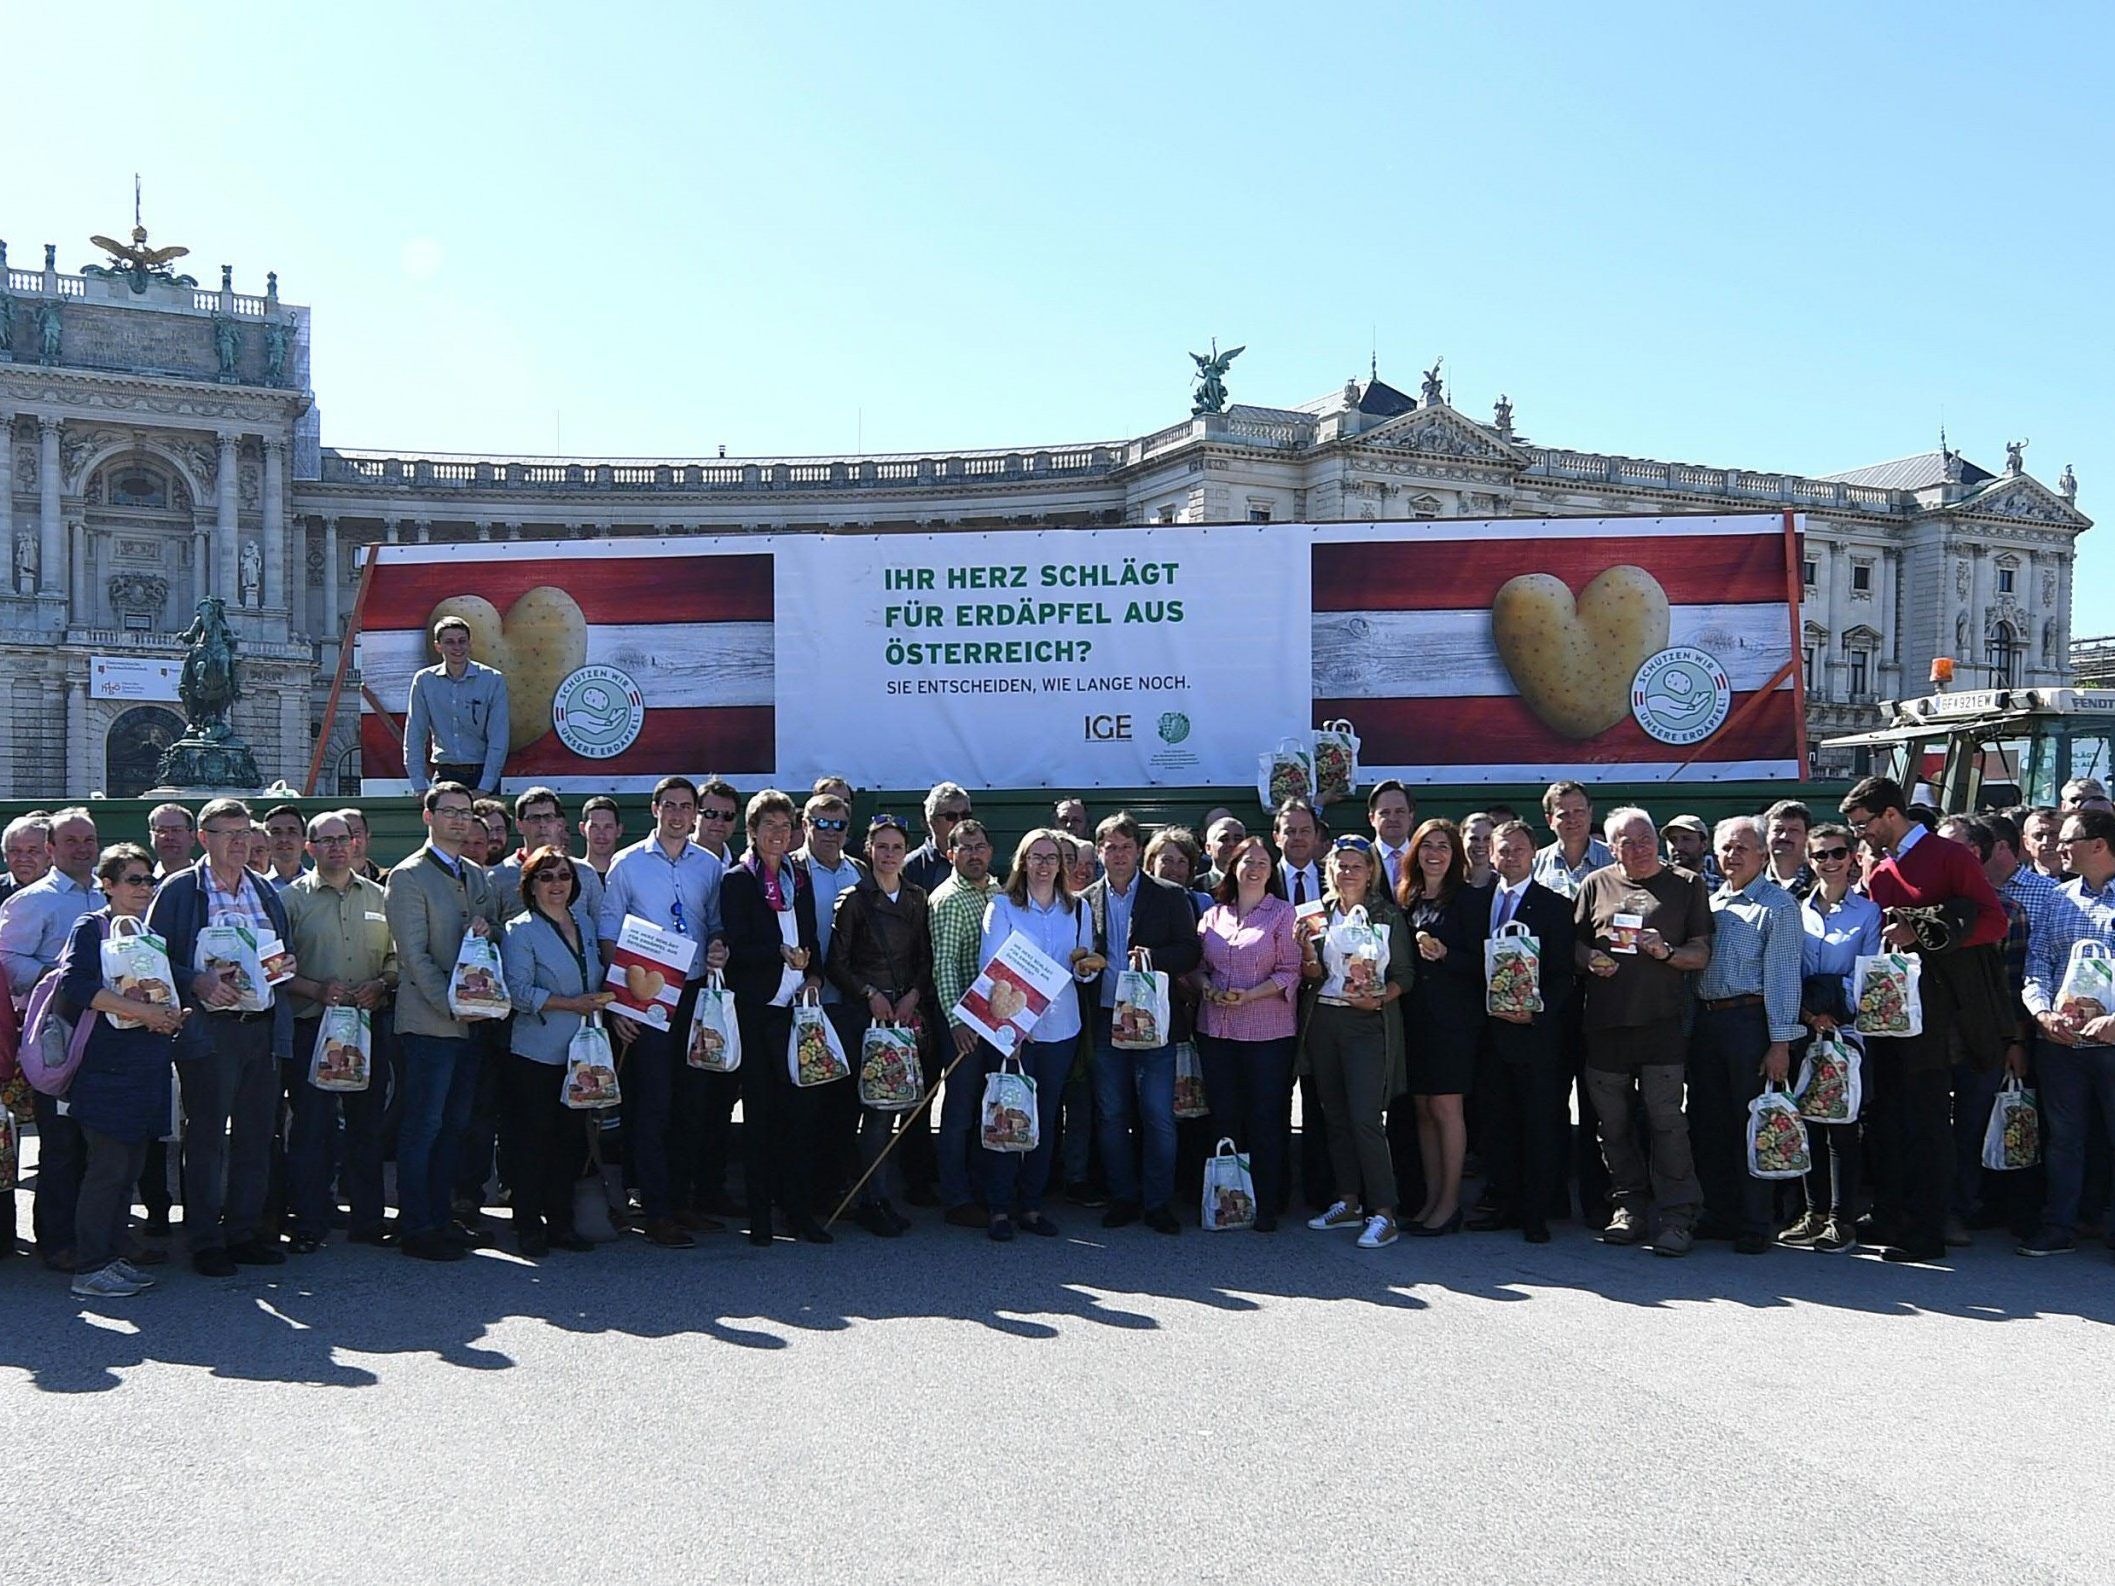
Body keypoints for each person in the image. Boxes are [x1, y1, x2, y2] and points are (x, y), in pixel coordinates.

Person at [1839, 774, 2009, 1264]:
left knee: (1927, 1122)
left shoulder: (1950, 856)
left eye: (1863, 825)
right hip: (1889, 1013)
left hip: (1940, 1014)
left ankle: (1928, 1228)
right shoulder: (1881, 869)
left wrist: (1924, 929)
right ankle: (1891, 1212)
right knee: (1888, 1117)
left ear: (1891, 814)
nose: (1859, 837)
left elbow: (1992, 922)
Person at [147, 797, 296, 1276]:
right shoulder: (179, 890)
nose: (239, 842)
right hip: (209, 1030)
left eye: (245, 832)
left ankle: (244, 1232)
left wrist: (284, 966)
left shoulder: (265, 890)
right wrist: (196, 979)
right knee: (207, 1137)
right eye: (228, 833)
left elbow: (280, 952)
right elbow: (151, 957)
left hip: (262, 1027)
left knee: (256, 1135)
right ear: (204, 838)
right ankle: (206, 1239)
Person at [1575, 807, 1713, 1256]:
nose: (1638, 849)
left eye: (1645, 839)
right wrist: (1589, 959)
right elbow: (1573, 943)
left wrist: (1667, 952)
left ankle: (1677, 1216)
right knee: (1612, 1126)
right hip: (1606, 1025)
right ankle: (1629, 1208)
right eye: (1627, 842)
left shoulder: (1687, 885)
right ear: (1611, 847)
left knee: (1667, 1123)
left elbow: (1702, 953)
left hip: (1662, 1025)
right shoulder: (1596, 884)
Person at [599, 775, 729, 1248]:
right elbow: (608, 935)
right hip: (646, 1000)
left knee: (692, 1104)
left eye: (686, 806)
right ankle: (655, 1211)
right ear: (655, 809)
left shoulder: (709, 865)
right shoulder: (627, 864)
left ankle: (681, 1202)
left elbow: (716, 924)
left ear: (696, 814)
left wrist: (718, 947)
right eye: (669, 805)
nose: (678, 814)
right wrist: (621, 1002)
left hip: (693, 993)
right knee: (652, 1104)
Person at [58, 845, 185, 1299]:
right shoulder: (91, 927)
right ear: (106, 885)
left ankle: (112, 1256)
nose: (145, 887)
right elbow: (76, 985)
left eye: (149, 879)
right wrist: (140, 1011)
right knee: (107, 1168)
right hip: (106, 1067)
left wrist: (169, 1014)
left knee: (129, 1166)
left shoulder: (146, 932)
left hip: (145, 1064)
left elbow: (155, 992)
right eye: (133, 880)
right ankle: (89, 1267)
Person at [381, 783, 499, 1262]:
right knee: (423, 1125)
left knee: (455, 1125)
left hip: (472, 1021)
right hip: (431, 1022)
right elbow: (413, 957)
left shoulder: (475, 876)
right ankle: (417, 1225)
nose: (458, 821)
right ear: (428, 817)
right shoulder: (408, 877)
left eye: (465, 814)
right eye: (447, 812)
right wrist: (454, 1006)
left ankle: (441, 1215)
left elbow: (486, 944)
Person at [280, 812, 399, 1253]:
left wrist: (382, 984)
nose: (335, 847)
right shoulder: (291, 901)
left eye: (342, 839)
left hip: (368, 1024)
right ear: (309, 847)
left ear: (355, 843)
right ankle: (309, 1220)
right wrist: (315, 989)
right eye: (324, 840)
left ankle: (368, 1220)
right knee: (313, 1126)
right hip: (312, 1026)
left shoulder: (381, 896)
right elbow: (276, 967)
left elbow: (395, 957)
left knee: (368, 1127)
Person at [1687, 816, 1804, 1254]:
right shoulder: (1711, 902)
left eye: (1741, 847)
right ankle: (1720, 1212)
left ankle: (1757, 1219)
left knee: (1752, 1122)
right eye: (1725, 848)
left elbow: (1783, 977)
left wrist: (1779, 1043)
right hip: (1708, 1021)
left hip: (1750, 1022)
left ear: (1760, 853)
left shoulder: (1777, 906)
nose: (1731, 856)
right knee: (1710, 1121)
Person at [1083, 813, 1203, 1236]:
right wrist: (1083, 970)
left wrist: (1153, 957)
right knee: (1113, 1114)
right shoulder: (1085, 899)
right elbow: (1079, 954)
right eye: (1110, 848)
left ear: (1138, 852)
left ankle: (1158, 1202)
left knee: (1158, 1115)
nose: (1118, 855)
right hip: (1105, 1018)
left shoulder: (1169, 895)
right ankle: (1123, 1197)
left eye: (1126, 847)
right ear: (1099, 852)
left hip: (1154, 1020)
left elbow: (1190, 952)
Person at [976, 829, 1097, 1240]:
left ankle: (1031, 1205)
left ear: (1062, 865)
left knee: (1045, 1119)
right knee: (1007, 1116)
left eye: (1052, 858)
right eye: (1036, 856)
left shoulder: (1078, 910)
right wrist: (1016, 1024)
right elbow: (992, 967)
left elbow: (1081, 969)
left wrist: (1085, 970)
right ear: (1022, 862)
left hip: (1062, 1028)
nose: (1044, 865)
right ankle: (998, 1208)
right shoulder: (1002, 907)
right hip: (1014, 1030)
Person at [720, 789, 828, 1246]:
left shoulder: (797, 879)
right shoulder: (737, 881)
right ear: (753, 831)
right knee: (760, 1118)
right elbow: (736, 949)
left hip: (795, 1013)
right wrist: (777, 953)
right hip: (756, 1011)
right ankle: (760, 1216)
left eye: (786, 827)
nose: (778, 835)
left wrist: (814, 976)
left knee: (799, 1117)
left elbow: (813, 942)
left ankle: (798, 1211)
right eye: (769, 827)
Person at [500, 846, 615, 1258]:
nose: (556, 885)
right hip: (537, 1052)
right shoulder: (520, 930)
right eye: (545, 877)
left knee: (570, 1141)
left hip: (582, 1053)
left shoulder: (584, 922)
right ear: (530, 885)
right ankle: (528, 1226)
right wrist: (572, 1004)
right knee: (534, 1142)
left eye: (563, 876)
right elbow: (517, 993)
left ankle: (562, 1222)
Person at [1298, 836, 1412, 1249]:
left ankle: (1384, 1211)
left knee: (1366, 1119)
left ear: (1371, 872)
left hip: (1367, 1023)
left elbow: (1406, 974)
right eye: (1340, 865)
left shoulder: (1387, 915)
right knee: (1336, 1116)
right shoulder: (1317, 914)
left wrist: (1379, 998)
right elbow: (1312, 976)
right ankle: (1347, 1202)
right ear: (1329, 870)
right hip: (1325, 1019)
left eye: (1356, 866)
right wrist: (1305, 956)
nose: (1347, 873)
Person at [1, 807, 102, 1269]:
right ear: (52, 849)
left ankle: (98, 1234)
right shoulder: (33, 901)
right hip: (54, 1033)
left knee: (98, 1141)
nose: (82, 849)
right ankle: (57, 1240)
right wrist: (57, 979)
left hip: (105, 1033)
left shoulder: (107, 892)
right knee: (59, 1145)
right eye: (71, 841)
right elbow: (6, 962)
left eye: (88, 840)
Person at [824, 814, 933, 1238]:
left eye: (896, 847)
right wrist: (869, 993)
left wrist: (913, 995)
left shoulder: (917, 898)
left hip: (903, 1018)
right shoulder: (853, 900)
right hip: (865, 1018)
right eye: (882, 847)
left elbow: (925, 957)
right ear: (868, 851)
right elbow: (837, 962)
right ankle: (870, 1198)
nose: (889, 855)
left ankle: (878, 1195)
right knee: (872, 1109)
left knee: (893, 1108)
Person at [1471, 819, 1577, 1244]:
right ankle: (1506, 1203)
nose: (1510, 856)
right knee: (1496, 1123)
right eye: (1502, 849)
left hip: (1535, 1034)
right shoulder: (1478, 903)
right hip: (1488, 1033)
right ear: (1491, 855)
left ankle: (1536, 1212)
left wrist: (1535, 1011)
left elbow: (1563, 975)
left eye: (1518, 849)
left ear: (1533, 853)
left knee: (1538, 1123)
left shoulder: (1553, 905)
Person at [1190, 835, 1301, 1231]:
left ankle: (1267, 1203)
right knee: (1224, 1117)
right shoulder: (1214, 915)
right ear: (1233, 867)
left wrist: (1251, 995)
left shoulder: (1283, 914)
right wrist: (1204, 984)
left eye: (1262, 863)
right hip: (1216, 1030)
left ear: (1271, 872)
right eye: (1247, 862)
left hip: (1267, 1033)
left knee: (1265, 1119)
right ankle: (1227, 1201)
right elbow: (1199, 964)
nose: (1254, 869)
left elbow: (1291, 970)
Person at [2018, 808, 2115, 1256]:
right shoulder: (2059, 899)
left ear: (2099, 845)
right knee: (2063, 1138)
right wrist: (2041, 1013)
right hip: (2061, 1042)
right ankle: (2059, 1225)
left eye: (2069, 840)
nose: (2059, 848)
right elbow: (2037, 964)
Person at [1781, 821, 1880, 1252]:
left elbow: (1868, 974)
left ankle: (1843, 1218)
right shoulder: (1794, 909)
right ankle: (1813, 1211)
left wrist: (1833, 1011)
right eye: (1821, 855)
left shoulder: (1868, 913)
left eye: (1838, 853)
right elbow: (1786, 970)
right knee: (1806, 1120)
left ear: (1852, 857)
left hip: (1846, 1030)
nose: (1830, 862)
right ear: (1809, 859)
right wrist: (1807, 1012)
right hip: (1804, 1025)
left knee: (1841, 1125)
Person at [1938, 814, 2037, 1243]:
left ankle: (1960, 1209)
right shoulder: (1923, 911)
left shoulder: (2007, 912)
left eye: (1948, 847)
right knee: (1927, 1126)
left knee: (1971, 1126)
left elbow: (2014, 984)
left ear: (1973, 853)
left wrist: (2016, 1041)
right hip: (1930, 1036)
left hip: (1982, 1038)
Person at [1395, 818, 1490, 1235]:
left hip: (1454, 1021)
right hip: (1414, 1019)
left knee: (1447, 1108)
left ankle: (1450, 1203)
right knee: (1423, 1110)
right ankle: (1432, 1199)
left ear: (1455, 855)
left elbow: (1485, 964)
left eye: (1444, 846)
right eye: (1427, 845)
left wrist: (1446, 954)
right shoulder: (1407, 898)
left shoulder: (1468, 899)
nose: (1435, 853)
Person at [798, 790, 871, 1213]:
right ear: (805, 825)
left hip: (847, 1005)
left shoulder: (859, 873)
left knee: (844, 1105)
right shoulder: (790, 871)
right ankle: (802, 1195)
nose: (829, 832)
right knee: (805, 1107)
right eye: (820, 823)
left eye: (838, 824)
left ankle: (834, 1191)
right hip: (802, 1005)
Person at [928, 817, 1000, 1228]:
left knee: (988, 1104)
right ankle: (956, 1197)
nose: (974, 855)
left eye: (980, 847)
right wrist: (958, 1022)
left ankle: (985, 1187)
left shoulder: (998, 890)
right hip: (964, 1022)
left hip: (997, 1016)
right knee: (959, 1109)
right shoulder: (948, 899)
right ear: (950, 854)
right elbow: (945, 966)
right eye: (965, 848)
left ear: (990, 851)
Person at [403, 613, 509, 793]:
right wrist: (419, 785)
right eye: (450, 642)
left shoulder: (493, 680)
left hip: (482, 773)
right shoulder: (424, 680)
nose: (457, 647)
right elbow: (415, 735)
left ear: (470, 643)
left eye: (462, 641)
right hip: (445, 774)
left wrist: (485, 787)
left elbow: (499, 737)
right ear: (438, 646)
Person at [492, 787, 605, 929]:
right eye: (534, 818)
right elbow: (491, 930)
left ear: (560, 824)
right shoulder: (498, 876)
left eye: (548, 817)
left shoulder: (585, 873)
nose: (542, 824)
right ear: (519, 825)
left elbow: (603, 928)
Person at [1533, 781, 1613, 898]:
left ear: (1590, 813)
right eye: (1563, 814)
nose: (1572, 819)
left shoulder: (1614, 859)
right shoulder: (1535, 864)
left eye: (1579, 812)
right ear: (1550, 820)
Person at [906, 782, 971, 894]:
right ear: (932, 821)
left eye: (965, 815)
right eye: (951, 816)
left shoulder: (978, 859)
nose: (960, 822)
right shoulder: (912, 866)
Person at [1367, 781, 1416, 897]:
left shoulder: (1423, 858)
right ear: (1372, 819)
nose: (1393, 818)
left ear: (1411, 816)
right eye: (1385, 813)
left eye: (1400, 811)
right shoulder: (1362, 859)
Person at [1762, 799, 1817, 899]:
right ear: (1766, 835)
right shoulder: (1750, 882)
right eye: (1778, 830)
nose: (1784, 836)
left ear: (1807, 837)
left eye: (1794, 830)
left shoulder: (1822, 883)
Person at [1274, 798, 1323, 908]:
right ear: (1276, 838)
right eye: (1290, 832)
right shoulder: (1266, 880)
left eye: (1305, 831)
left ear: (1316, 836)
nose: (1298, 837)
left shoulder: (1331, 880)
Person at [1, 813, 51, 902]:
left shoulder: (68, 892)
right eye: (15, 851)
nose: (23, 858)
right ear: (5, 854)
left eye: (32, 851)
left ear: (50, 856)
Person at [262, 804, 309, 893]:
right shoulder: (257, 887)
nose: (284, 839)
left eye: (292, 832)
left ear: (304, 841)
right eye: (276, 832)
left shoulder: (317, 885)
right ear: (266, 841)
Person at [693, 778, 741, 861]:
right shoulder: (673, 857)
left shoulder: (743, 867)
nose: (719, 822)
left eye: (728, 815)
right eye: (711, 813)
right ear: (693, 816)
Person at [337, 806, 388, 884]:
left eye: (356, 833)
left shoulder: (388, 880)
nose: (351, 840)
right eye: (343, 834)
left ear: (367, 837)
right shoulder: (320, 882)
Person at [146, 804, 194, 882]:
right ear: (151, 837)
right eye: (162, 831)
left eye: (176, 830)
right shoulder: (143, 882)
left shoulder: (207, 881)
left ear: (192, 836)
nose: (169, 837)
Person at [580, 795, 624, 877]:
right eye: (594, 827)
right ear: (582, 829)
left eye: (608, 827)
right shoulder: (570, 876)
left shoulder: (629, 875)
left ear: (619, 830)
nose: (601, 834)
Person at [2021, 807, 2067, 881]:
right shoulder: (2017, 881)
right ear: (2026, 843)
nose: (2046, 841)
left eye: (2054, 834)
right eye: (2038, 836)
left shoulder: (2085, 878)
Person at [1201, 815, 1246, 889]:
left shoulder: (1261, 886)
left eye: (1238, 839)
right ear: (1208, 848)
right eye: (1224, 839)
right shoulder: (1194, 888)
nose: (1232, 844)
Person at [1461, 811, 1497, 891]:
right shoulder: (1449, 885)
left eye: (1487, 839)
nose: (1480, 845)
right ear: (1462, 839)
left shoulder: (1504, 887)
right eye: (1474, 839)